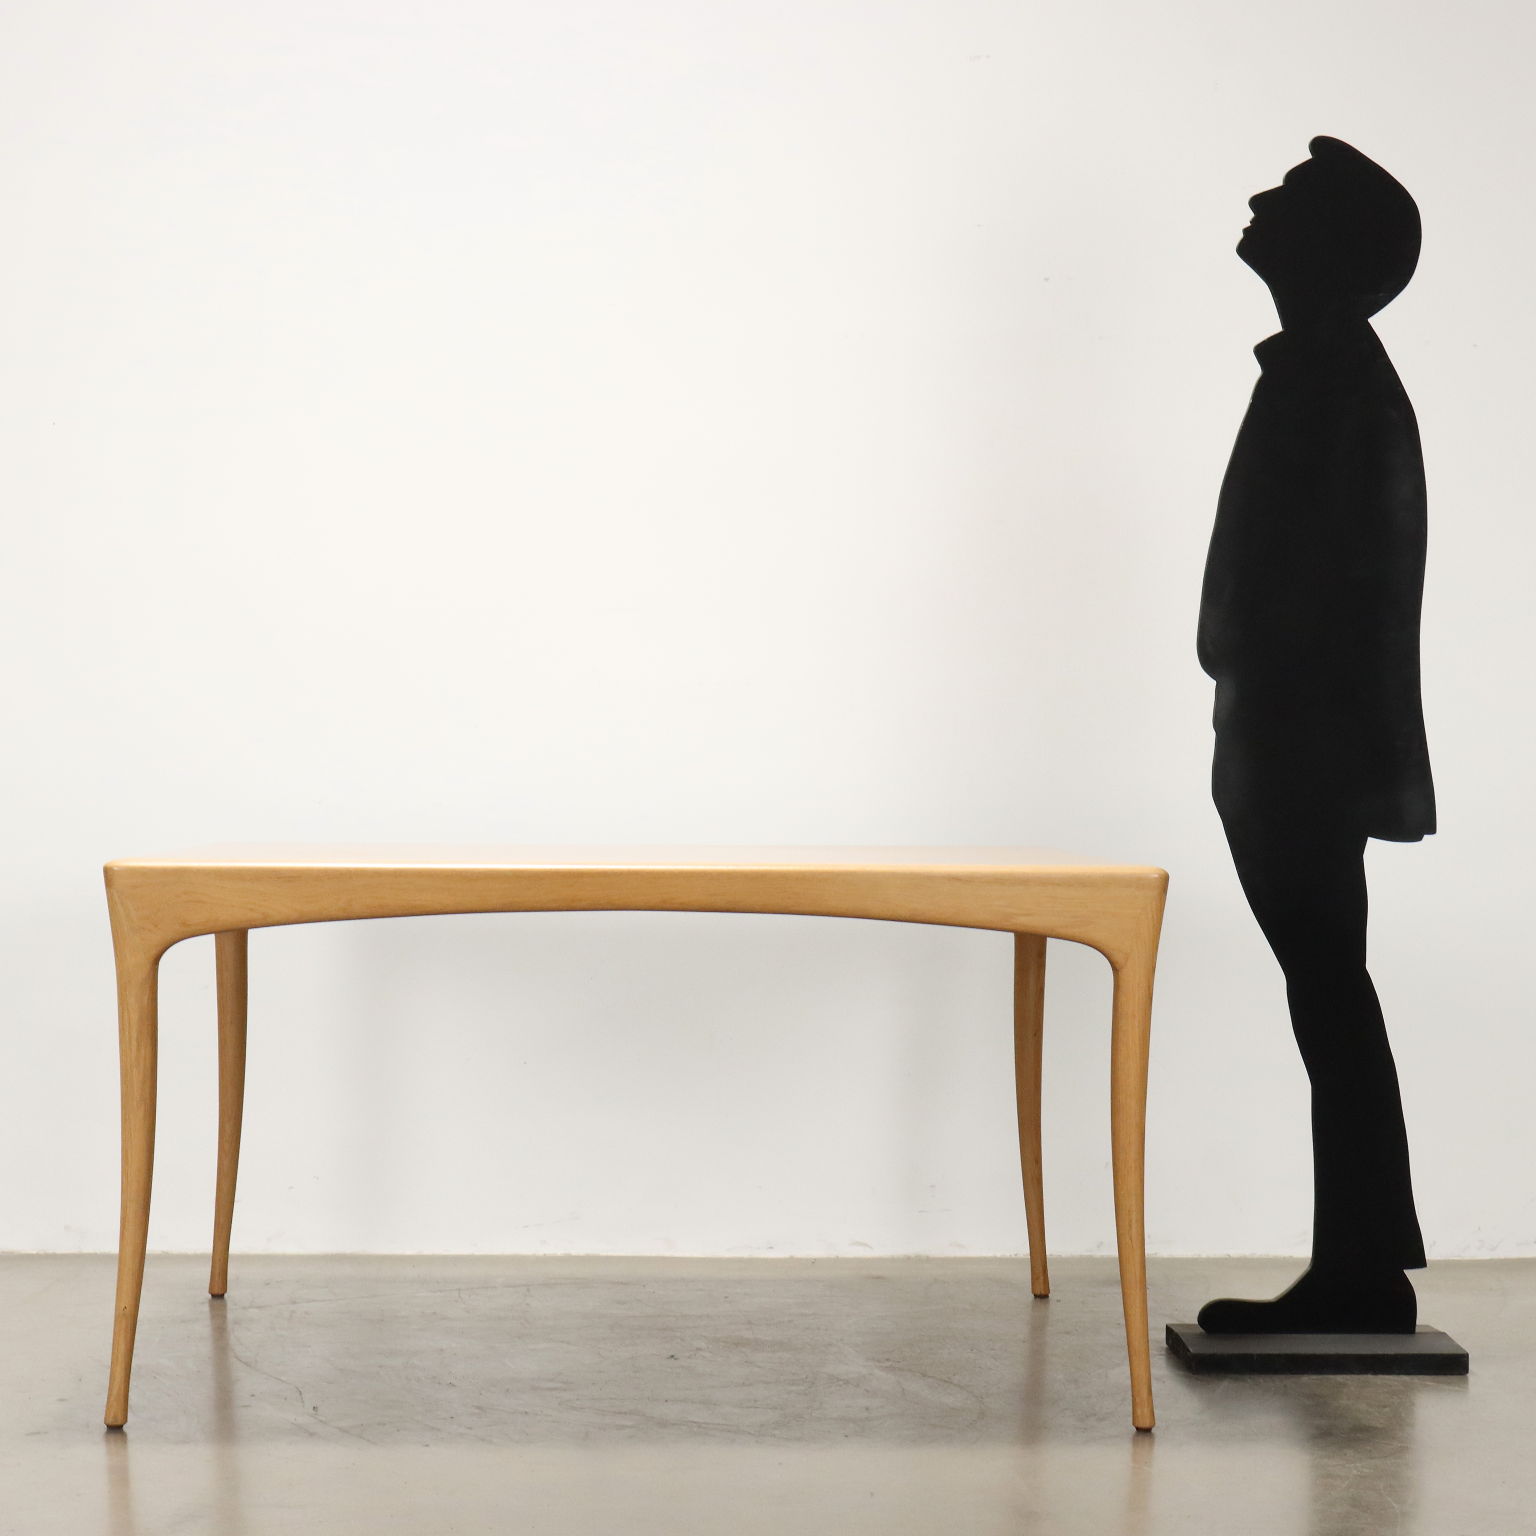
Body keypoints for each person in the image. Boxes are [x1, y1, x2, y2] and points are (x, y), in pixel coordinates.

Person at [1195, 136, 1434, 1333]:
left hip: (1303, 743)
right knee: (1329, 991)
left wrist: (1267, 690)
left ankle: (1362, 1270)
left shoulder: (1334, 381)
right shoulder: (1324, 373)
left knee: (1330, 991)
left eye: (1288, 197)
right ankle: (1362, 1263)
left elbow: (1349, 585)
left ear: (1330, 246)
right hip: (1292, 735)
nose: (1258, 201)